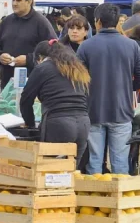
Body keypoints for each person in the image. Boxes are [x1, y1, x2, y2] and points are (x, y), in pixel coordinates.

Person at [77, 3, 140, 175]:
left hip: (93, 111)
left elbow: (77, 80)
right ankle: (121, 199)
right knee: (120, 163)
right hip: (122, 111)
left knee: (94, 162)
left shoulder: (86, 46)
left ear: (98, 22)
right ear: (117, 23)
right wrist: (124, 87)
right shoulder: (131, 46)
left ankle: (93, 199)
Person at [20, 39, 91, 168]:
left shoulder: (42, 68)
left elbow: (26, 100)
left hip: (58, 124)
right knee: (70, 172)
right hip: (83, 123)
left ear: (40, 58)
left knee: (48, 172)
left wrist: (30, 124)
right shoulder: (77, 67)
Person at [0, 0, 57, 88]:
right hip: (7, 84)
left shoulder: (41, 23)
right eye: (13, 0)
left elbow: (54, 50)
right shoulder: (6, 21)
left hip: (33, 83)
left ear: (29, 1)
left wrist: (29, 59)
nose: (14, 3)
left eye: (18, 0)